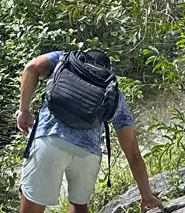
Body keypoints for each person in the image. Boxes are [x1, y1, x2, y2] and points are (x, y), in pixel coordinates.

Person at [17, 51, 163, 213]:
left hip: (50, 139)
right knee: (79, 206)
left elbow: (32, 67)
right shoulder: (113, 92)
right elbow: (134, 155)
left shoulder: (64, 58)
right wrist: (147, 195)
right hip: (88, 154)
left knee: (33, 204)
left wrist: (24, 110)